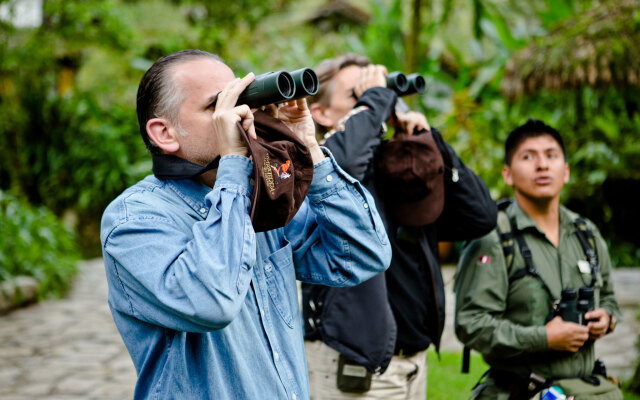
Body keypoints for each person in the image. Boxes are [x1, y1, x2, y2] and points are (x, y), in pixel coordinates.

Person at [100, 49, 392, 400]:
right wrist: (235, 165)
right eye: (218, 106)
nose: (240, 116)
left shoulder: (260, 203)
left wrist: (307, 146)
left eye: (240, 100)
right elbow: (213, 301)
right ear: (164, 133)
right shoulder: (134, 220)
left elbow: (362, 256)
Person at [302, 53, 497, 399]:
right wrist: (375, 99)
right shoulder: (318, 170)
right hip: (352, 361)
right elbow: (343, 163)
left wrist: (431, 144)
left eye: (380, 93)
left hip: (413, 361)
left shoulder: (399, 172)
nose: (378, 102)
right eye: (358, 95)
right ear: (319, 111)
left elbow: (480, 216)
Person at [454, 119, 622, 399]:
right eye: (528, 156)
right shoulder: (494, 237)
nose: (542, 165)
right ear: (507, 174)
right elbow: (471, 324)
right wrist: (544, 338)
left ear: (566, 171)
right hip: (519, 391)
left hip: (583, 390)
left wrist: (606, 318)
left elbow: (609, 298)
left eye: (551, 155)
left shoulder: (586, 233)